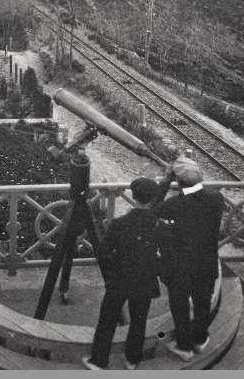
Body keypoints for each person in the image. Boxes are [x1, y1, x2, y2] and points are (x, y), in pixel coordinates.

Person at [82, 177, 165, 371]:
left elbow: (104, 252)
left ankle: (99, 360)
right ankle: (133, 360)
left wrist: (114, 269)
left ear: (133, 197)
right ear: (152, 199)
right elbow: (163, 251)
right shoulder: (157, 224)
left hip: (120, 277)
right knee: (139, 320)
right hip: (145, 279)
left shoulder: (120, 223)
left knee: (107, 319)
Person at [156, 154, 224, 362]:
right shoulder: (216, 199)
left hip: (180, 266)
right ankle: (200, 339)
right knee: (202, 302)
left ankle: (184, 347)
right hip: (206, 263)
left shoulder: (173, 205)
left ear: (178, 181)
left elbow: (152, 208)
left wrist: (166, 181)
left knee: (180, 305)